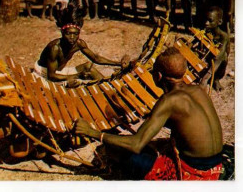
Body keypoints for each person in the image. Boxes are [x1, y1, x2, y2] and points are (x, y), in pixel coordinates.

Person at [75, 47, 224, 180]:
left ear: (158, 76)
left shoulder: (169, 101)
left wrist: (93, 133)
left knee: (115, 149)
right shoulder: (198, 90)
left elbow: (136, 145)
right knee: (151, 145)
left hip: (195, 173)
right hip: (216, 166)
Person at [34, 0, 130, 87]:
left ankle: (108, 88)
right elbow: (51, 76)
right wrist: (77, 75)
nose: (72, 37)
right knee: (75, 82)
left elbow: (96, 58)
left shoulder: (79, 43)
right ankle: (107, 89)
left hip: (59, 72)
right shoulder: (55, 48)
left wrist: (119, 63)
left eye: (76, 34)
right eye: (68, 34)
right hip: (44, 75)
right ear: (62, 33)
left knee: (88, 67)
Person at [200, 6, 230, 91]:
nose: (206, 23)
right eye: (205, 20)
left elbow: (218, 58)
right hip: (207, 61)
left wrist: (205, 79)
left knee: (224, 56)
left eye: (210, 21)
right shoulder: (206, 32)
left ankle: (215, 79)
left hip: (218, 63)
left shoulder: (223, 36)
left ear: (219, 22)